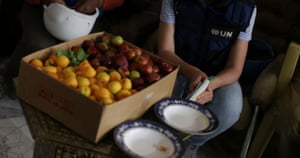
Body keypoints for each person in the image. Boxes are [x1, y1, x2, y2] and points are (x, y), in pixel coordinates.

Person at [156, 0, 257, 157]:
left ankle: (190, 143)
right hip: (177, 65)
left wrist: (210, 84)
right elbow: (165, 50)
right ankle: (162, 138)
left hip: (218, 75)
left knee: (231, 106)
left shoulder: (245, 9)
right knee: (164, 101)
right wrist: (191, 72)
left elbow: (235, 68)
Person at [0, 0, 124, 98]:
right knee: (38, 45)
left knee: (81, 54)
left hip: (86, 16)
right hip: (41, 8)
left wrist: (100, 1)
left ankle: (56, 94)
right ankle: (9, 79)